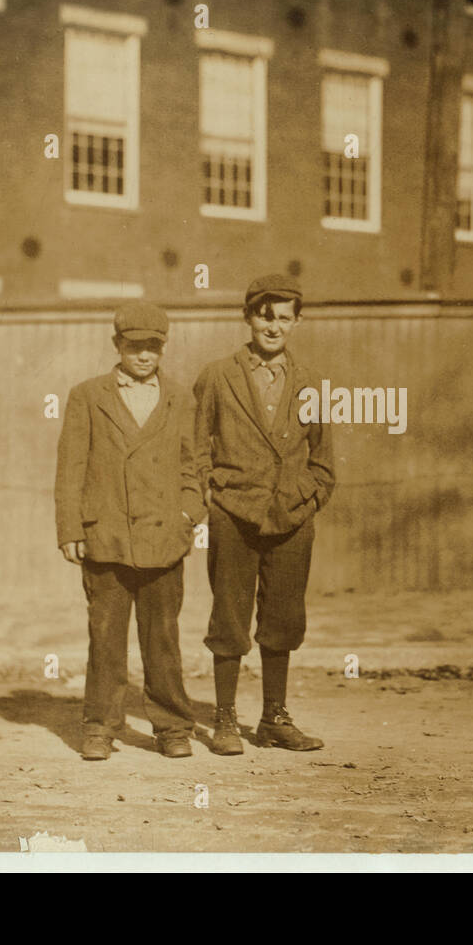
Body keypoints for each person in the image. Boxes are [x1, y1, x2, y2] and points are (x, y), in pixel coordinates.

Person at [54, 301, 205, 761]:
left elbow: (194, 465)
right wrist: (70, 528)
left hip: (163, 538)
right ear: (117, 345)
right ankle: (100, 726)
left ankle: (173, 726)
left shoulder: (180, 397)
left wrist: (188, 515)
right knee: (105, 637)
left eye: (153, 347)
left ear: (163, 348)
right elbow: (70, 467)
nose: (144, 355)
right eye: (134, 345)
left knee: (163, 638)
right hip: (107, 536)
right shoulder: (87, 395)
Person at [193, 274, 336, 755]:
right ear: (249, 317)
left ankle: (274, 718)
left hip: (292, 518)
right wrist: (212, 495)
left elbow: (323, 458)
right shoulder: (217, 376)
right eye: (264, 315)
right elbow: (195, 448)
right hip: (234, 514)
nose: (273, 326)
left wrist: (310, 497)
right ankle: (225, 720)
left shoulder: (311, 383)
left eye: (284, 317)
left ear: (297, 322)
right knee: (229, 617)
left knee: (283, 617)